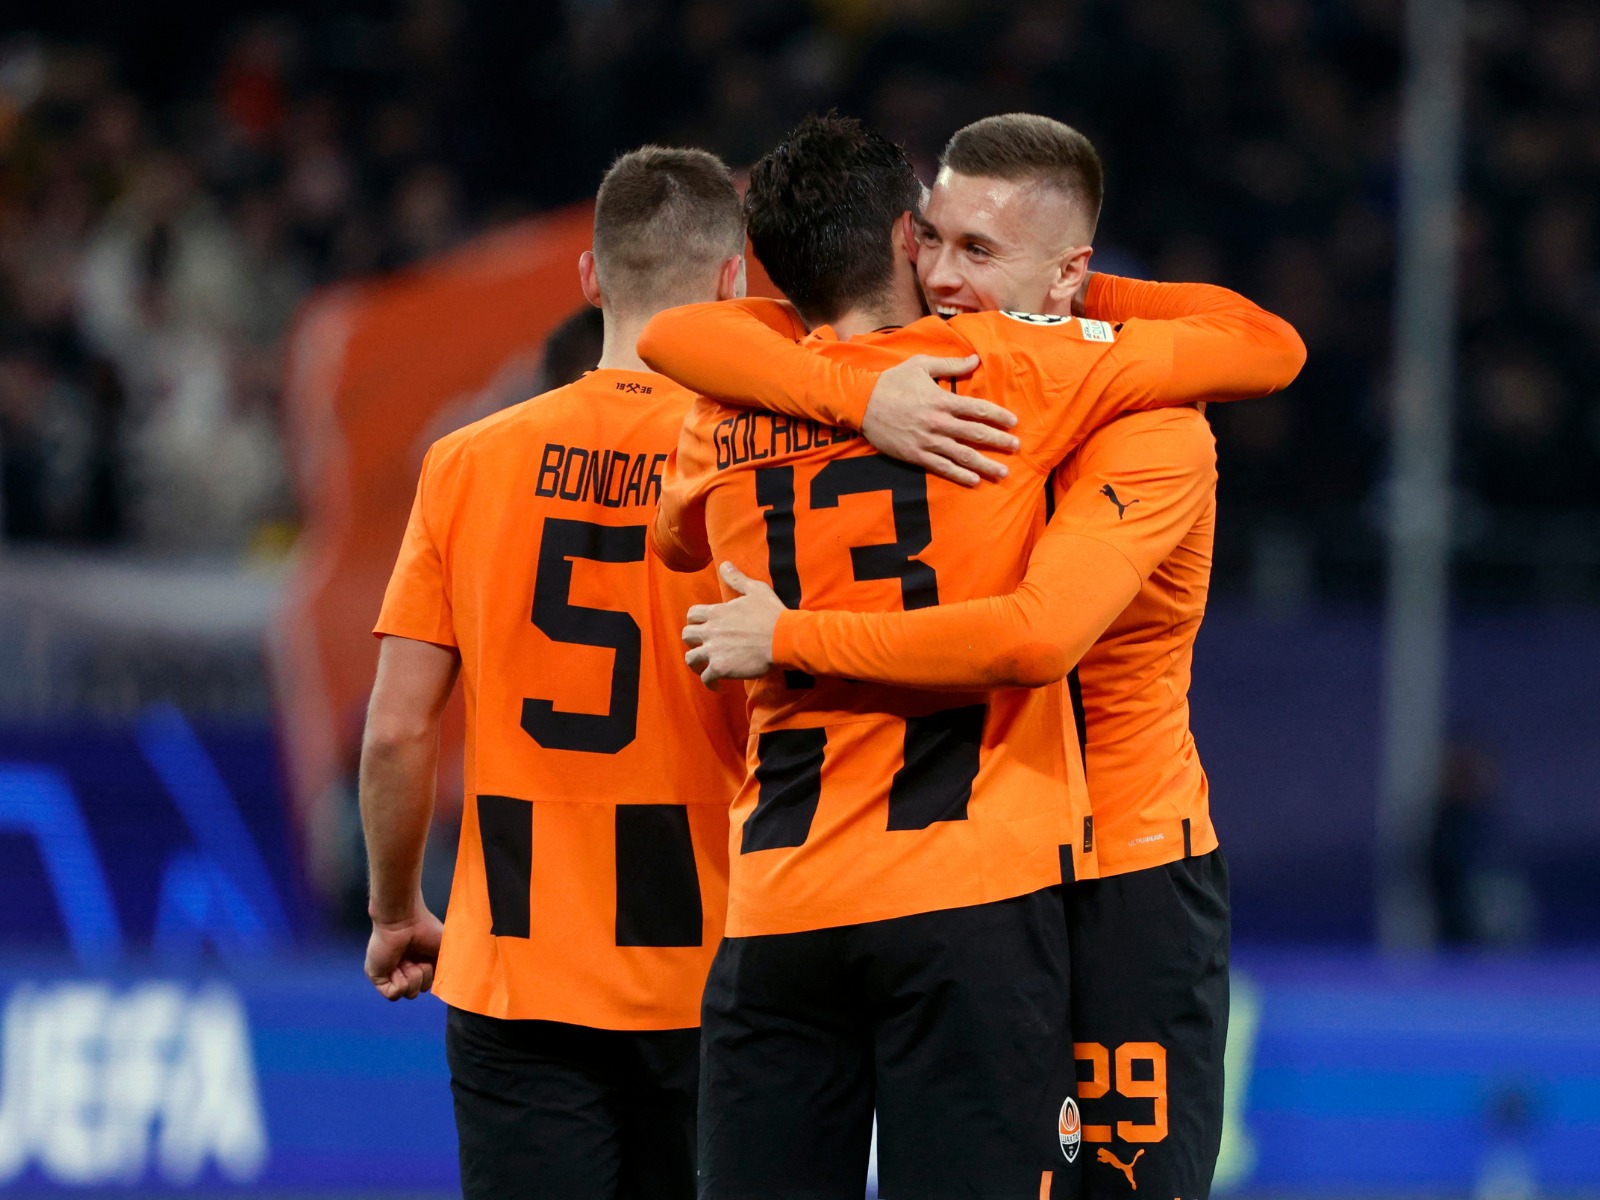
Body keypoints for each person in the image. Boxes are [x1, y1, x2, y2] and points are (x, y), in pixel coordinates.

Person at [646, 112, 1303, 1199]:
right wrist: (857, 391)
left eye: (980, 254)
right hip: (983, 869)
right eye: (933, 242)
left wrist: (787, 635)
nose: (944, 279)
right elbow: (693, 335)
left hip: (1120, 867)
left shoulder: (1139, 415)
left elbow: (1040, 633)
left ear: (1072, 271)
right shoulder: (946, 376)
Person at [359, 146, 753, 1200]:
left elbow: (397, 731)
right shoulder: (761, 471)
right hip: (713, 964)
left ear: (589, 277)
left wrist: (396, 907)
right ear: (734, 283)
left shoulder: (466, 462)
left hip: (517, 965)